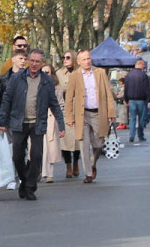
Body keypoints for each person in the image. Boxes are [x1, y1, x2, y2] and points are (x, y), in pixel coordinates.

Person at [0, 48, 64, 201]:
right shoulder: (17, 78)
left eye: (37, 62)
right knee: (17, 156)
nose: (33, 64)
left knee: (37, 155)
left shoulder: (47, 81)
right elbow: (7, 99)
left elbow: (54, 103)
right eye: (31, 60)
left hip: (37, 122)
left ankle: (31, 186)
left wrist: (61, 124)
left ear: (42, 63)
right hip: (19, 122)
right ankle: (24, 180)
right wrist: (2, 121)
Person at [64, 49, 117, 183]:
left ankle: (93, 163)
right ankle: (88, 173)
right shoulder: (75, 76)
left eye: (88, 58)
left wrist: (111, 112)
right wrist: (69, 117)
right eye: (84, 59)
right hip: (82, 115)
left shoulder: (100, 73)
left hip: (99, 113)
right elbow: (69, 98)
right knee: (84, 144)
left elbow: (108, 94)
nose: (87, 61)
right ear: (79, 62)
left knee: (99, 143)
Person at [56, 53, 80, 178]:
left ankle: (76, 162)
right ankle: (68, 165)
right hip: (65, 108)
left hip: (79, 108)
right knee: (65, 139)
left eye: (68, 57)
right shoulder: (59, 73)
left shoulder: (80, 72)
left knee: (77, 140)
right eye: (64, 57)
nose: (65, 60)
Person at [41, 67, 64, 183]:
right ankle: (39, 171)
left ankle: (49, 174)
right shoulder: (36, 84)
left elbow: (60, 105)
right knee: (38, 147)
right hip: (39, 118)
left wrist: (60, 123)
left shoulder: (57, 88)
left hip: (51, 119)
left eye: (47, 72)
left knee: (50, 148)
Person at [124, 58, 150, 142]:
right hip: (141, 100)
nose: (144, 66)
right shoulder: (144, 75)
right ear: (140, 64)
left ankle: (131, 136)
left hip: (131, 100)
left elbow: (126, 88)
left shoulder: (129, 75)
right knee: (141, 119)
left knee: (132, 118)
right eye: (143, 65)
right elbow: (148, 88)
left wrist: (126, 99)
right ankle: (140, 135)